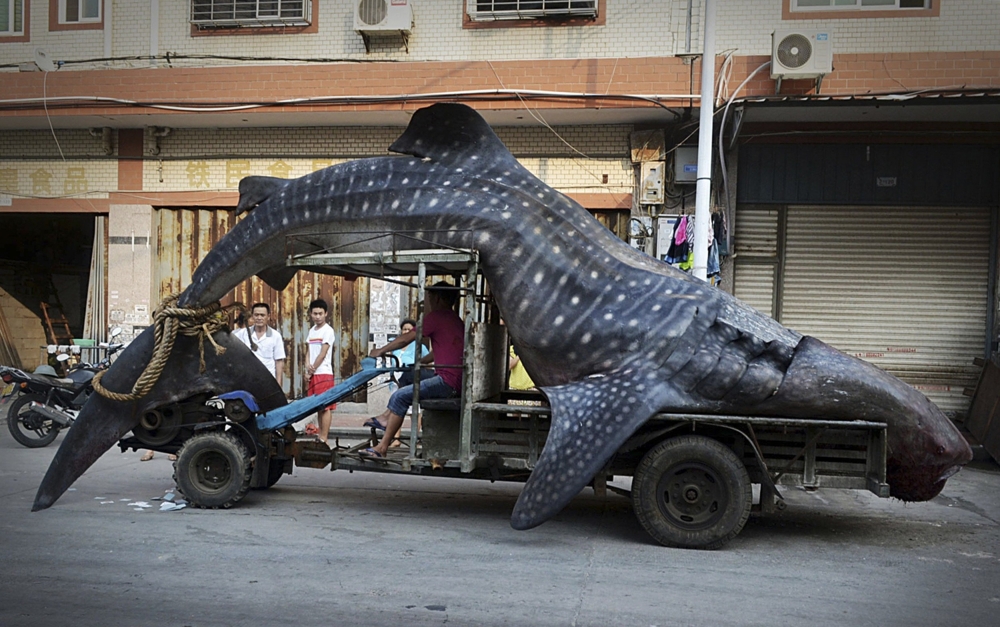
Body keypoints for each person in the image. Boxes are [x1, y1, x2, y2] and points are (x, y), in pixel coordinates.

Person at [362, 282, 464, 458]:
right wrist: (421, 361)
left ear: (438, 299)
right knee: (409, 375)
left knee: (400, 396)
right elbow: (443, 349)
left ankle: (382, 447)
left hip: (447, 382)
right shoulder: (455, 319)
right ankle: (387, 416)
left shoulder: (437, 317)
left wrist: (381, 350)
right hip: (455, 379)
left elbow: (406, 339)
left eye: (430, 298)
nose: (428, 303)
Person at [305, 298, 337, 443]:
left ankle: (324, 436)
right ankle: (320, 435)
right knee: (318, 406)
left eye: (320, 313)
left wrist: (312, 369)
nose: (317, 316)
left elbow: (323, 353)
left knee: (326, 407)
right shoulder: (312, 331)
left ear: (326, 314)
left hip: (323, 372)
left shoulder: (328, 331)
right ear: (311, 314)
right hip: (313, 372)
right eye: (315, 313)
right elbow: (308, 351)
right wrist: (307, 367)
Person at [233, 302, 286, 383]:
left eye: (262, 315)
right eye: (256, 315)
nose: (259, 318)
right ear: (252, 316)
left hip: (268, 380)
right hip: (247, 379)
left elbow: (279, 361)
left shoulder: (275, 336)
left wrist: (278, 383)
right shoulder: (243, 333)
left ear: (268, 316)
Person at [392, 318, 432, 389]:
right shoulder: (395, 347)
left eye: (409, 330)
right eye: (404, 329)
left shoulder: (420, 347)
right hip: (395, 381)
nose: (406, 331)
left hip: (412, 382)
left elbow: (428, 366)